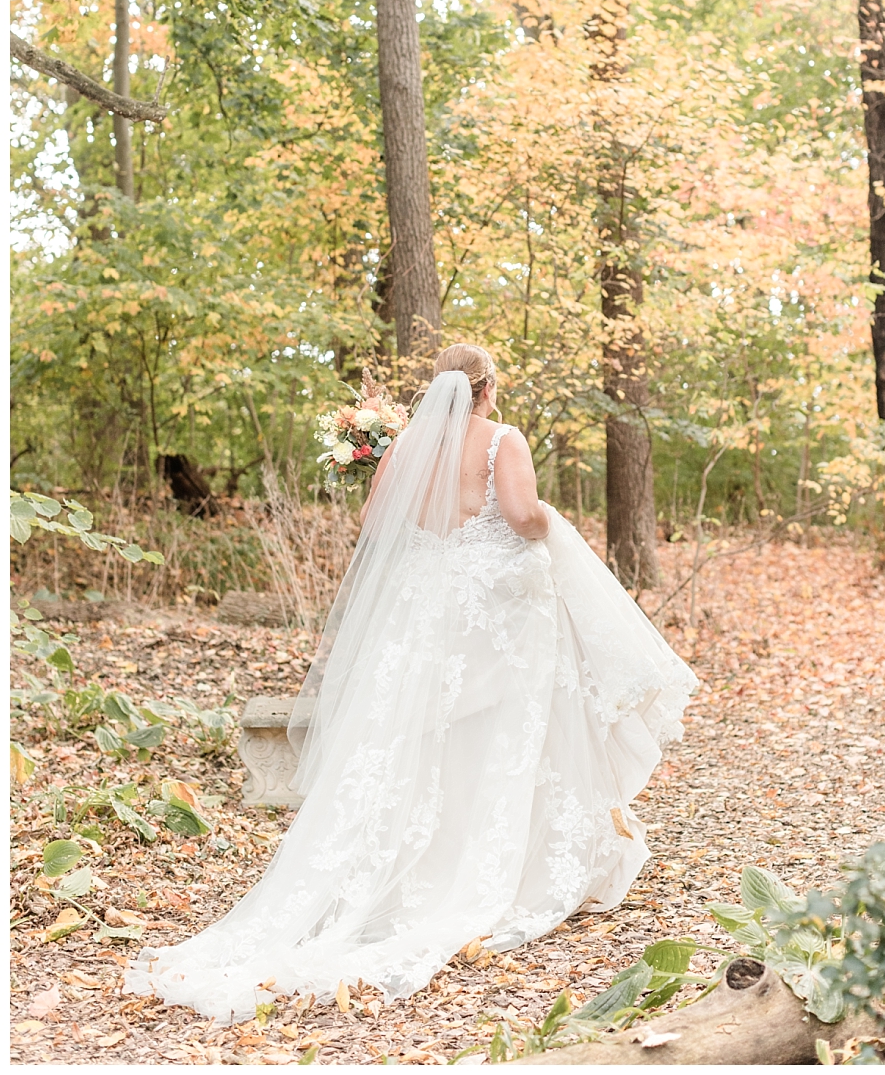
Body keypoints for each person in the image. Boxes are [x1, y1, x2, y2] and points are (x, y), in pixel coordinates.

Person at [124, 344, 697, 1025]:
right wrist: (552, 522)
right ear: (487, 390)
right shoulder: (501, 439)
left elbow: (374, 525)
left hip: (425, 604)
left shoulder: (405, 446)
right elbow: (520, 517)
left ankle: (412, 867)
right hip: (498, 606)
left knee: (422, 727)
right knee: (505, 725)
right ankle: (501, 865)